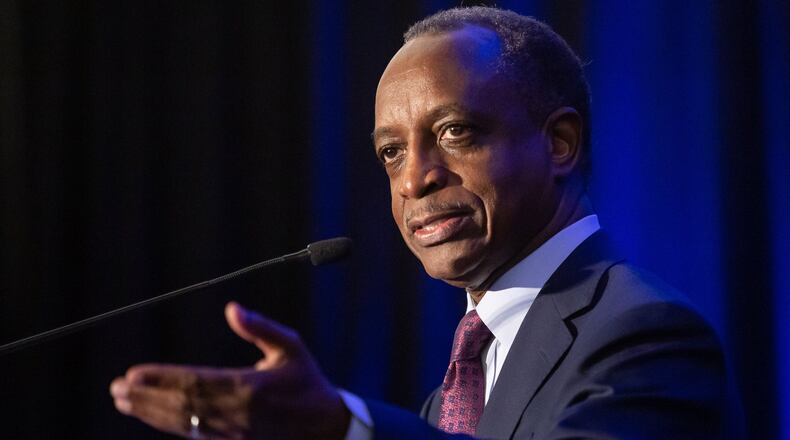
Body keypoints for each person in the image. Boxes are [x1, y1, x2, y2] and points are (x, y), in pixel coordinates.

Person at [110, 6, 736, 439]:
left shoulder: (645, 338)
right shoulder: (451, 394)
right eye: (391, 152)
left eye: (454, 132)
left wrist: (343, 427)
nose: (414, 181)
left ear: (560, 143)